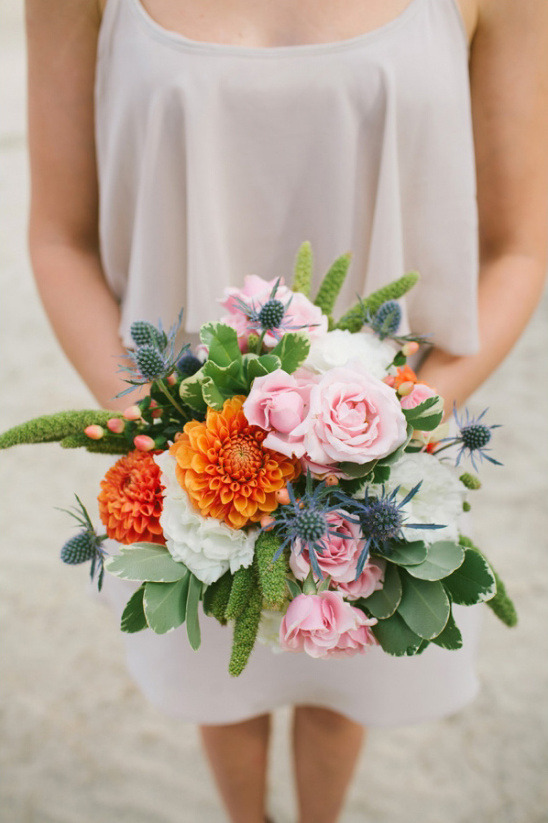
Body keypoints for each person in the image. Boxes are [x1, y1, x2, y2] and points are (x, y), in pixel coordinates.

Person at [25, 1, 548, 822]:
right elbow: (60, 236)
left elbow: (520, 243)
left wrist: (389, 436)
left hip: (396, 432)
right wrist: (166, 430)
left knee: (342, 666)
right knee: (221, 679)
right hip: (188, 455)